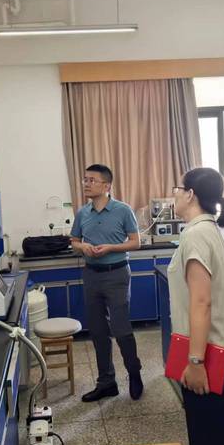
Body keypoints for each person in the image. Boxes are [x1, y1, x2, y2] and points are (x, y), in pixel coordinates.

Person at [168, 168, 224, 445]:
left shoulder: (196, 235)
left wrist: (195, 362)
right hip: (216, 356)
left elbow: (201, 302)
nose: (174, 195)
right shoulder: (206, 229)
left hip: (211, 360)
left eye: (177, 189)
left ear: (190, 194)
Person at [70, 164, 143, 402]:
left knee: (121, 329)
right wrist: (83, 246)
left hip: (117, 275)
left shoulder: (123, 210)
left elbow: (135, 242)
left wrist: (111, 247)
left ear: (106, 185)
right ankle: (106, 382)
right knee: (98, 331)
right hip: (91, 275)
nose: (86, 184)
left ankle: (134, 373)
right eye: (85, 180)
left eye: (91, 180)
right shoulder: (83, 213)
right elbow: (74, 241)